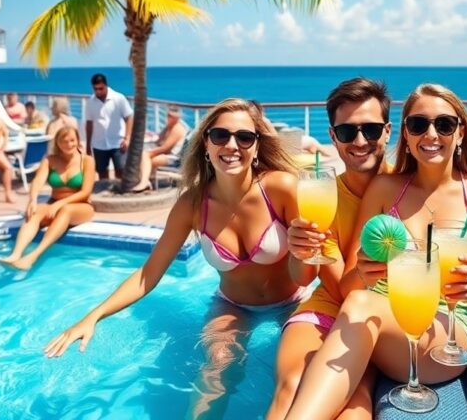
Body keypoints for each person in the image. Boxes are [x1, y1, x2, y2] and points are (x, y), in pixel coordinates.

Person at [44, 99, 300, 418]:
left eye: (244, 137)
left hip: (293, 300)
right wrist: (93, 316)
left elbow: (316, 254)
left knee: (293, 373)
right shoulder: (192, 205)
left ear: (257, 146)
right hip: (233, 305)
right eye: (220, 135)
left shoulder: (281, 188)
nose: (232, 145)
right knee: (218, 364)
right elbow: (147, 274)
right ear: (205, 143)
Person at [285, 84, 467, 419]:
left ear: (461, 132)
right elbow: (350, 288)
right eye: (419, 124)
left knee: (361, 306)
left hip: (444, 332)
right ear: (405, 134)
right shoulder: (385, 189)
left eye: (444, 124)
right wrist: (362, 272)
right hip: (378, 322)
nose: (431, 134)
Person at [267, 78, 393, 420]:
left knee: (355, 408)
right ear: (333, 136)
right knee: (291, 385)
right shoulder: (321, 196)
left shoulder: (408, 191)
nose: (360, 141)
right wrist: (299, 251)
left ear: (387, 131)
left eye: (370, 129)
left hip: (380, 321)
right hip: (327, 307)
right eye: (347, 131)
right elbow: (309, 278)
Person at [0, 126, 94, 270]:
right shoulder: (50, 160)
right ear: (57, 143)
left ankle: (33, 256)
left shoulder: (87, 161)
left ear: (78, 141)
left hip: (81, 206)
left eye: (72, 140)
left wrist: (59, 204)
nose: (69, 144)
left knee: (66, 210)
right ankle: (16, 254)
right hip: (54, 204)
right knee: (34, 213)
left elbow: (85, 192)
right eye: (64, 141)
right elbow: (37, 181)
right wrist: (32, 200)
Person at [131, 105, 190, 192]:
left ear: (177, 117)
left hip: (174, 158)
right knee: (146, 158)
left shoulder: (177, 129)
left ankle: (144, 182)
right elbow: (158, 141)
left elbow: (165, 148)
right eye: (168, 115)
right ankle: (148, 182)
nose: (169, 118)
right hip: (167, 155)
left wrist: (150, 153)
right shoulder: (168, 127)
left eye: (172, 116)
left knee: (146, 157)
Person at [85, 74, 133, 182]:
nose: (98, 91)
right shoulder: (90, 102)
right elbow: (89, 124)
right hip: (99, 144)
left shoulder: (119, 98)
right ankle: (104, 192)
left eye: (101, 88)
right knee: (101, 172)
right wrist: (88, 146)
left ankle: (120, 193)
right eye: (95, 89)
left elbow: (129, 117)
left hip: (118, 142)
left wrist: (127, 138)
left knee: (121, 171)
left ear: (106, 85)